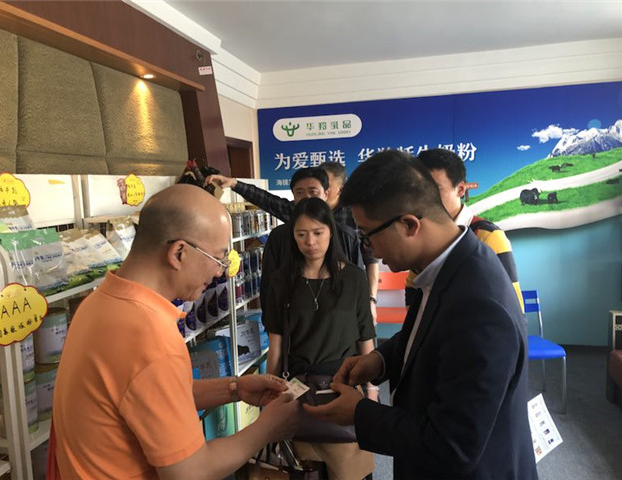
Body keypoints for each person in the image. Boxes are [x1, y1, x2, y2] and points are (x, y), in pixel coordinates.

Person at [304, 151, 537, 479]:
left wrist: (359, 413)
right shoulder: (450, 265)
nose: (371, 251)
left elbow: (453, 444)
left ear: (409, 225)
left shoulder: (478, 304)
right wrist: (380, 360)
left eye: (368, 236)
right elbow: (430, 334)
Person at [49, 185, 299, 480]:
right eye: (219, 259)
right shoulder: (150, 337)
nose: (220, 272)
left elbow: (151, 396)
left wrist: (235, 388)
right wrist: (267, 428)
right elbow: (191, 472)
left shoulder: (99, 303)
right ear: (179, 253)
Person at [263, 197, 376, 479]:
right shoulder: (281, 280)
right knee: (302, 470)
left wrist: (371, 392)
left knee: (349, 469)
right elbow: (276, 346)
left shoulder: (354, 278)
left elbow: (366, 339)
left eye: (317, 233)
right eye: (301, 234)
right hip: (297, 390)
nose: (310, 242)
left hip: (343, 387)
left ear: (330, 232)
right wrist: (269, 395)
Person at [204, 163, 380, 323]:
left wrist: (370, 301)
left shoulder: (352, 221)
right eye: (302, 234)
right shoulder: (292, 220)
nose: (310, 241)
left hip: (342, 307)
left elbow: (368, 261)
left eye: (314, 190)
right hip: (302, 308)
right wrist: (234, 183)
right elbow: (268, 200)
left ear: (328, 191)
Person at [406, 148, 524, 311]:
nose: (425, 198)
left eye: (436, 189)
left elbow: (512, 307)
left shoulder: (488, 236)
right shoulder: (422, 234)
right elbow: (413, 293)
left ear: (461, 189)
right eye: (420, 189)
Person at [258, 168, 363, 309]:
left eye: (313, 192)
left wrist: (370, 301)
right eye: (300, 192)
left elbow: (359, 285)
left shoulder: (347, 236)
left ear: (326, 194)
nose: (307, 198)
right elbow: (268, 286)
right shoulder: (279, 237)